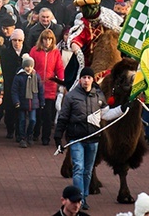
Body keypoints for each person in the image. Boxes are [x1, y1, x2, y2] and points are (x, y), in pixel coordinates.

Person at [54, 66, 129, 210]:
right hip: (76, 139)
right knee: (78, 168)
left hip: (93, 139)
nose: (86, 80)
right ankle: (79, 198)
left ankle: (85, 196)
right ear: (80, 79)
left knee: (88, 170)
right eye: (84, 78)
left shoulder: (99, 95)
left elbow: (106, 115)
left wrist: (121, 109)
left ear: (92, 79)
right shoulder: (71, 96)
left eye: (89, 78)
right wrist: (58, 137)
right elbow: (63, 117)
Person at [29, 29, 63, 146]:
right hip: (36, 85)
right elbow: (30, 65)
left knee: (48, 114)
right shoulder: (34, 50)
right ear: (41, 39)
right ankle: (35, 133)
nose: (47, 42)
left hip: (50, 86)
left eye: (49, 39)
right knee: (37, 113)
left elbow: (59, 68)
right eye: (45, 39)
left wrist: (61, 81)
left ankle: (46, 137)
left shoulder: (56, 52)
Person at [11, 55, 44, 148]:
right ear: (23, 66)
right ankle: (22, 138)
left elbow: (40, 90)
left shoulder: (36, 76)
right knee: (22, 121)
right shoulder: (19, 77)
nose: (29, 68)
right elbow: (14, 90)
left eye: (31, 66)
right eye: (27, 66)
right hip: (22, 103)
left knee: (33, 120)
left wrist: (42, 102)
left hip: (33, 103)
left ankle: (30, 135)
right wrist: (16, 101)